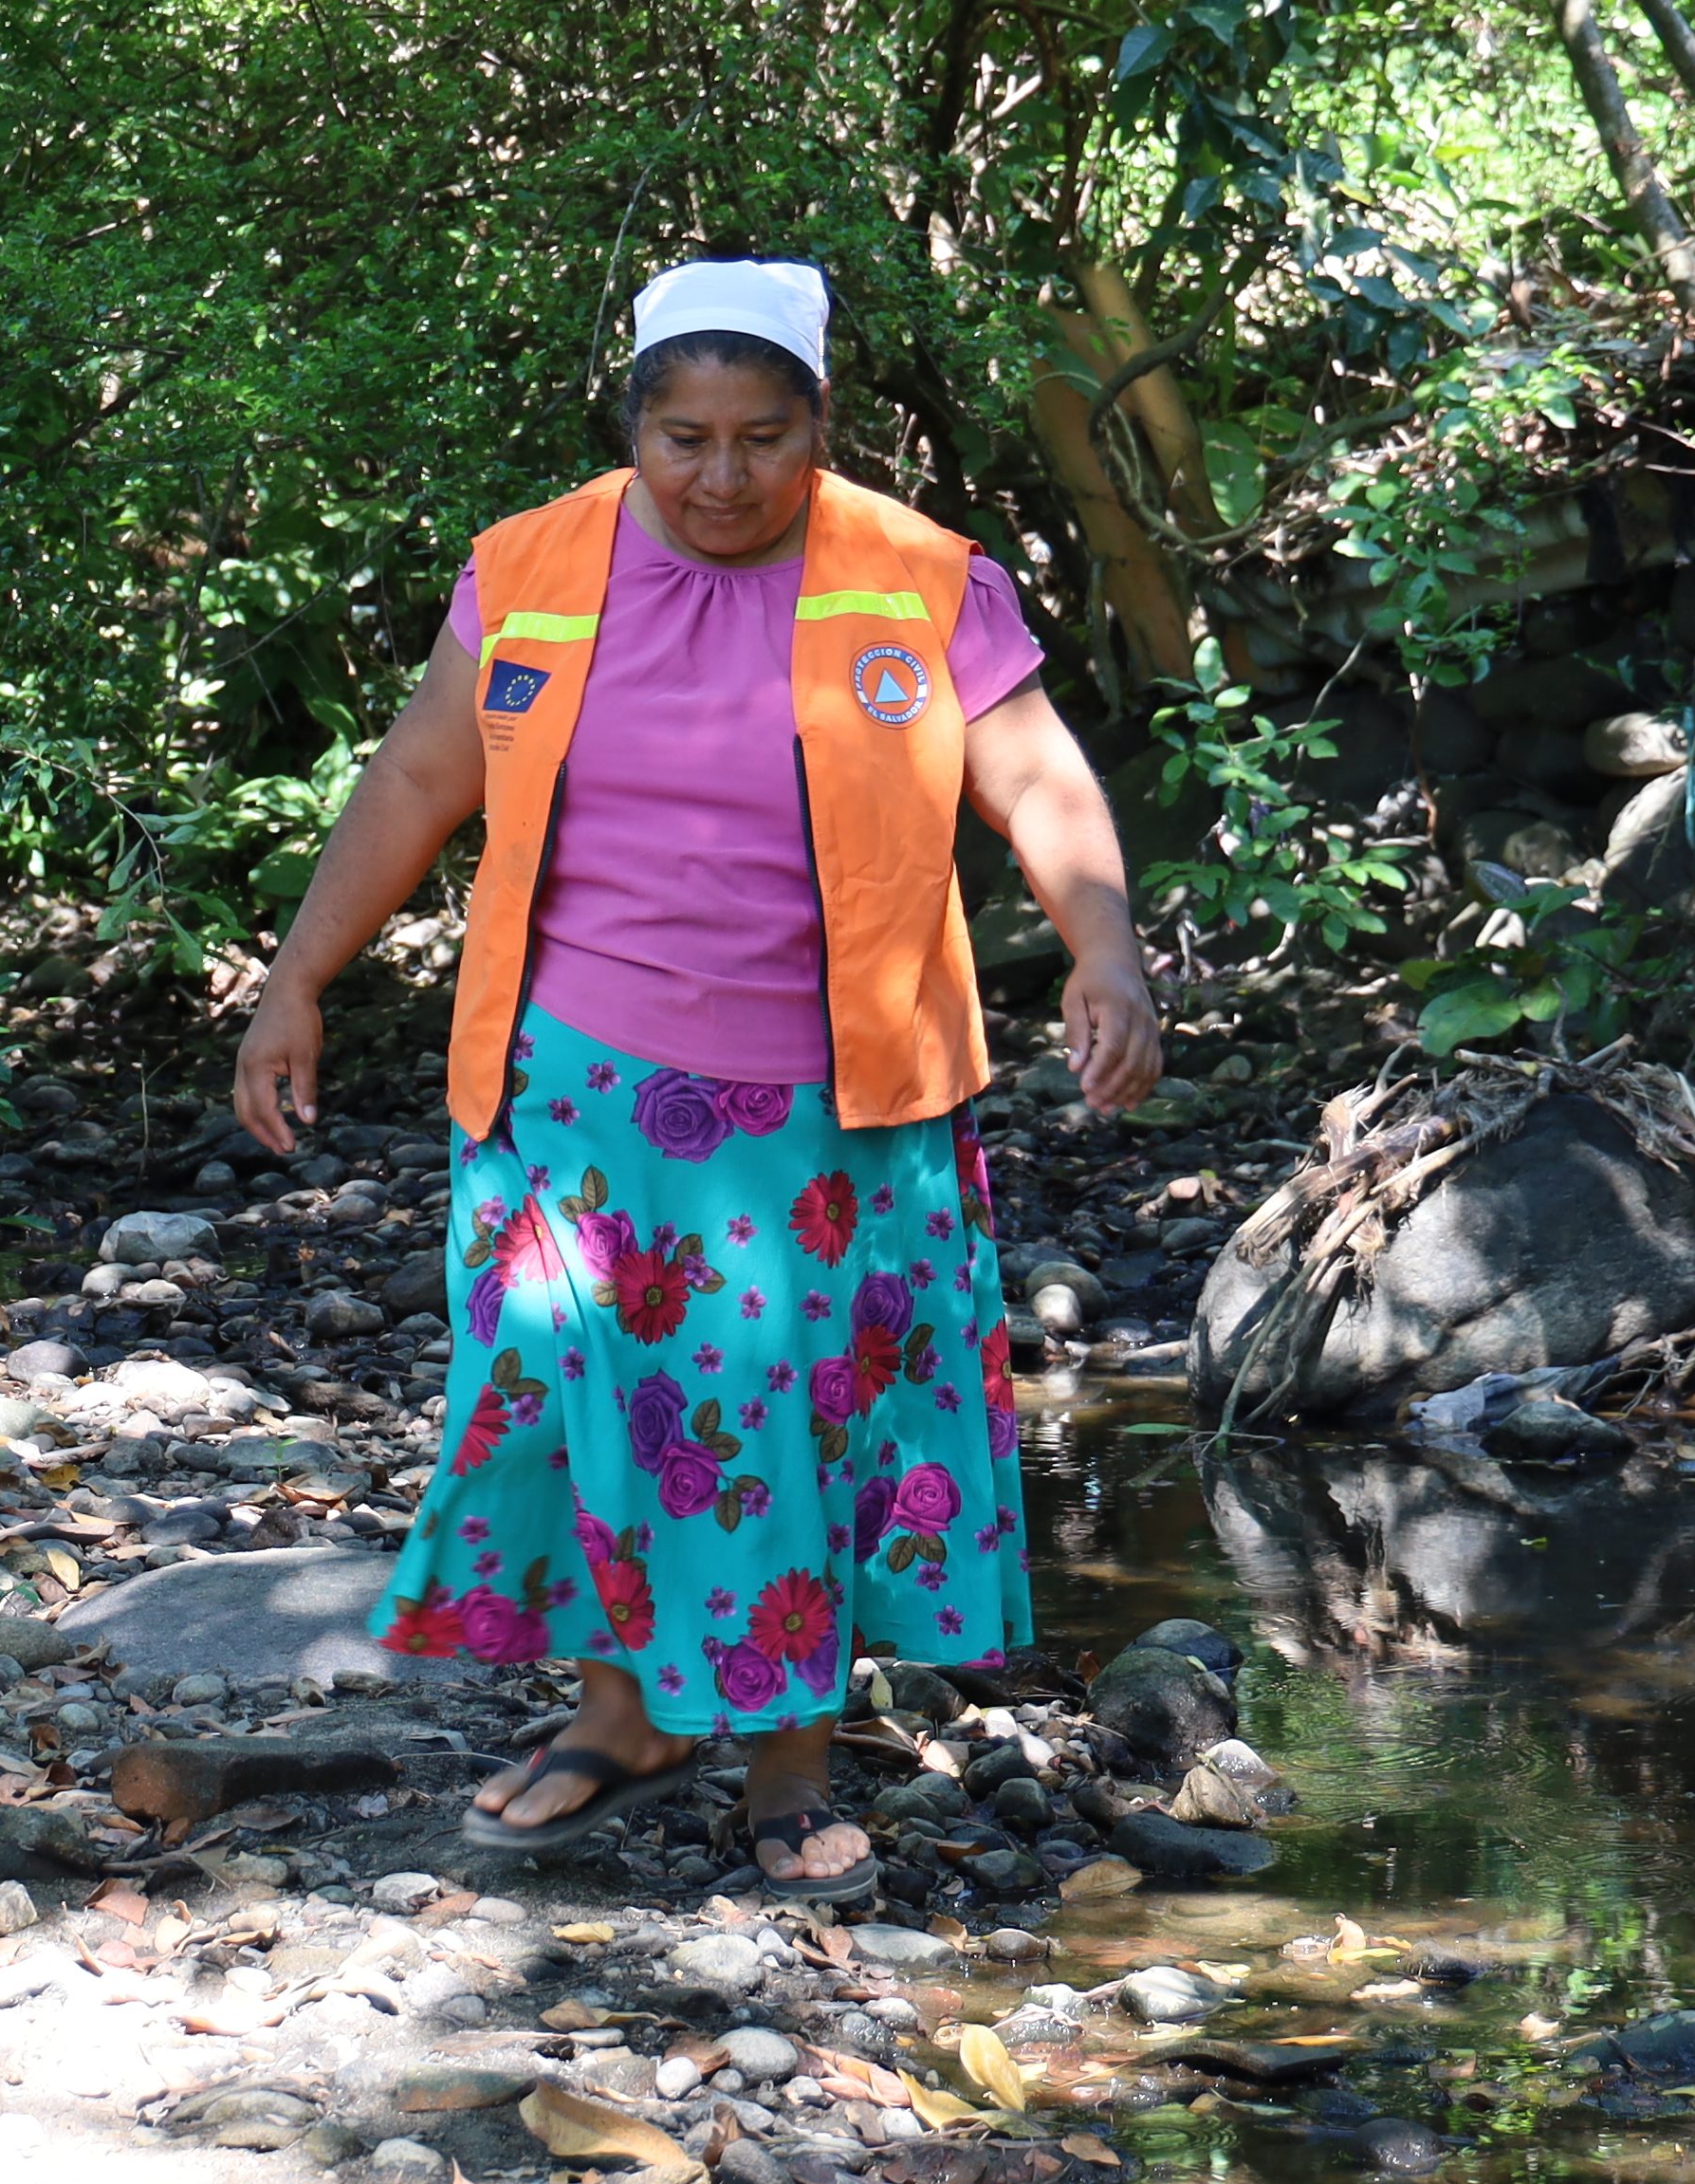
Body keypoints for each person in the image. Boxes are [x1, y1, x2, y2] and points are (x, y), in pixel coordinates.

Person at [230, 256, 1161, 1902]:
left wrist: (1105, 952)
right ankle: (625, 1718)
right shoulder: (531, 568)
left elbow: (1035, 777)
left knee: (796, 1414)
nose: (721, 477)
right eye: (683, 436)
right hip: (575, 1084)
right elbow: (421, 779)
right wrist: (298, 977)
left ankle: (790, 1766)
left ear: (821, 428)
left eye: (760, 437)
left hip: (837, 1097)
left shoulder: (919, 577)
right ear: (633, 426)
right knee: (597, 1409)